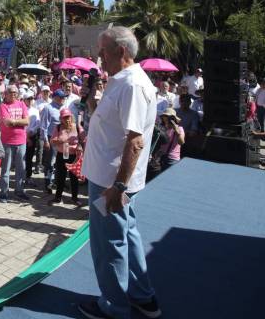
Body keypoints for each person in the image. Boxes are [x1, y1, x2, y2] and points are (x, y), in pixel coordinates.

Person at [79, 26, 161, 319]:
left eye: (102, 50)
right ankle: (142, 297)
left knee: (109, 244)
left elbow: (135, 141)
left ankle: (113, 306)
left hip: (110, 183)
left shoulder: (133, 85)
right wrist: (90, 101)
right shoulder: (119, 80)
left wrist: (119, 186)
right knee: (127, 234)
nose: (98, 56)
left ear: (121, 51)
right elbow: (112, 123)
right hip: (110, 178)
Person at [0, 85, 30, 202]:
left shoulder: (22, 104)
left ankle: (19, 191)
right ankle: (4, 193)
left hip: (21, 141)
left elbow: (27, 121)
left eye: (15, 92)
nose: (13, 94)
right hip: (7, 142)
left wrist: (14, 121)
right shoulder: (3, 106)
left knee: (21, 168)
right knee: (6, 169)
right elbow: (6, 123)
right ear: (6, 93)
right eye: (11, 92)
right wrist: (19, 122)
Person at [47, 108, 85, 207]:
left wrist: (80, 146)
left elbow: (84, 140)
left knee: (74, 178)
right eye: (64, 118)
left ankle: (75, 198)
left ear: (71, 116)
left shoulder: (77, 127)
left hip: (74, 156)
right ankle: (58, 198)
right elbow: (52, 141)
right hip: (62, 154)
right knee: (61, 177)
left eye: (68, 117)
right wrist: (59, 141)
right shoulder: (58, 127)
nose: (67, 119)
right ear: (61, 119)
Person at [40, 89, 65, 193]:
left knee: (58, 163)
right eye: (61, 97)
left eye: (64, 97)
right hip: (51, 139)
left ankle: (56, 181)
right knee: (50, 162)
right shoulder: (48, 108)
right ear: (55, 97)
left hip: (61, 139)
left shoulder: (63, 108)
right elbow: (44, 126)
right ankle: (48, 183)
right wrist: (45, 140)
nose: (63, 99)